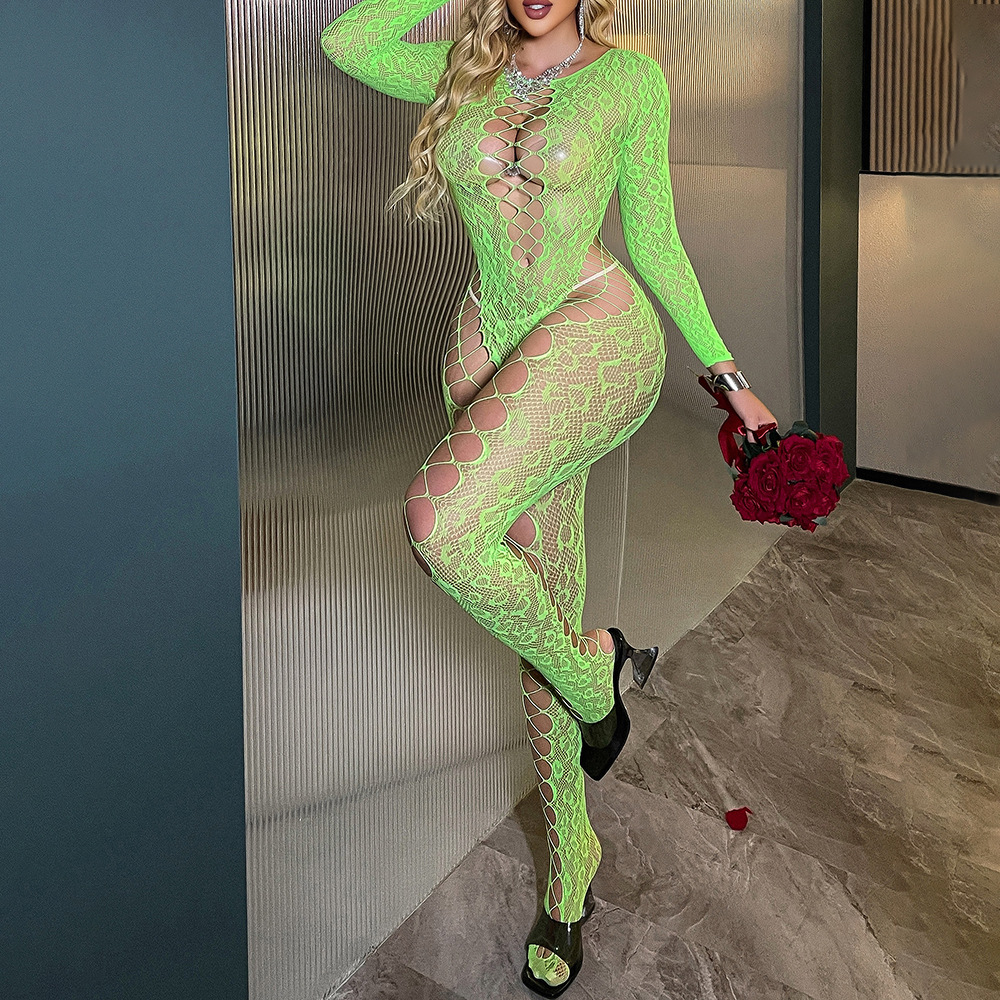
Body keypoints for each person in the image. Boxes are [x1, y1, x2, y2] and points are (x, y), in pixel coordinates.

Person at [321, 1, 778, 993]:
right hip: (489, 341)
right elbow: (347, 42)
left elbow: (656, 238)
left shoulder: (629, 80)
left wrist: (730, 376)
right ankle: (574, 858)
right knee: (539, 609)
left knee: (439, 525)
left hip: (592, 333)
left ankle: (591, 682)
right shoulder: (464, 66)